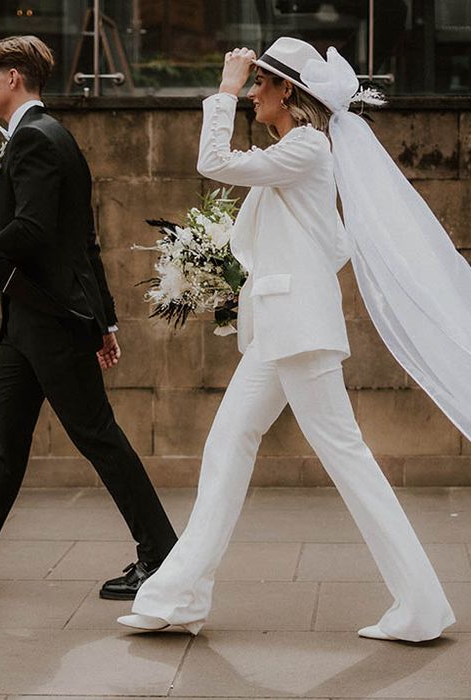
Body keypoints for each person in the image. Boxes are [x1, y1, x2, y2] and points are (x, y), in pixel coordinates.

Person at [117, 37, 461, 642]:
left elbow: (214, 163)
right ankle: (179, 595)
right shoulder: (297, 152)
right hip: (281, 329)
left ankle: (422, 605)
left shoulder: (305, 148)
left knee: (346, 458)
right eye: (248, 86)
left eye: (259, 85)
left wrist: (222, 90)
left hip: (298, 333)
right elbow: (314, 242)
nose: (251, 94)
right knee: (228, 446)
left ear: (287, 93)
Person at [0, 35, 177, 600]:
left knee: (97, 436)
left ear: (14, 78)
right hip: (29, 324)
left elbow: (37, 234)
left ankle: (162, 557)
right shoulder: (42, 138)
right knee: (5, 439)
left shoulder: (37, 141)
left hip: (49, 323)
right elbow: (82, 242)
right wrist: (107, 320)